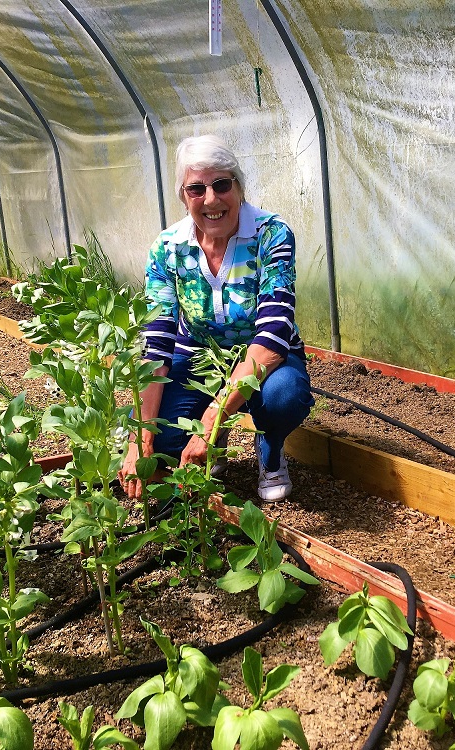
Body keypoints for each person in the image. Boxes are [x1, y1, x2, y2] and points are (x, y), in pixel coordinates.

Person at [119, 134, 313, 503]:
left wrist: (210, 421)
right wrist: (140, 441)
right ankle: (213, 436)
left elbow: (273, 336)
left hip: (264, 361)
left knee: (283, 397)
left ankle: (270, 448)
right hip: (195, 358)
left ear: (238, 186)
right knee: (158, 436)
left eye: (221, 185)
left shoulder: (271, 235)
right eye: (196, 189)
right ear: (183, 196)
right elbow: (156, 345)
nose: (211, 199)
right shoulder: (168, 248)